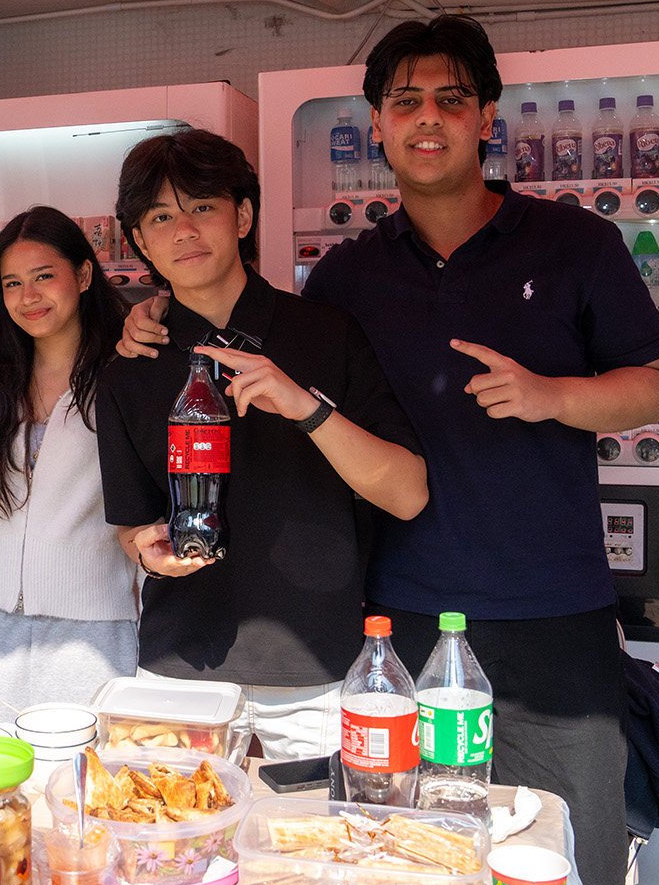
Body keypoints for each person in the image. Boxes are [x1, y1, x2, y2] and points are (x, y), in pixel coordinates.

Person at [121, 17, 659, 885]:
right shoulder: (348, 275)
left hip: (553, 614)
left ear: (486, 117)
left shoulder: (573, 244)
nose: (429, 119)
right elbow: (257, 335)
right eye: (405, 102)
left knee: (567, 858)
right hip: (394, 623)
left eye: (451, 99)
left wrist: (551, 395)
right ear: (376, 126)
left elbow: (657, 384)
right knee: (406, 869)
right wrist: (148, 316)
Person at [95, 129, 427, 759]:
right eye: (160, 217)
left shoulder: (326, 335)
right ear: (140, 241)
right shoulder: (132, 366)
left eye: (202, 207)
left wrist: (305, 407)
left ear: (242, 215)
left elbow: (408, 494)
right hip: (177, 671)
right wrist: (145, 552)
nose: (184, 231)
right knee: (170, 854)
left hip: (317, 675)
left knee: (317, 856)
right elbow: (132, 523)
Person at [0, 207, 139, 719]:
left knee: (80, 788)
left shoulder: (122, 376)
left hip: (92, 632)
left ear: (84, 274)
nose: (28, 297)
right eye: (12, 283)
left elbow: (146, 506)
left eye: (44, 276)